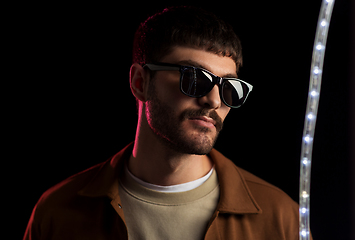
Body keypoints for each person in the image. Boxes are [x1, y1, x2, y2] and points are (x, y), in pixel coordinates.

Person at [24, 6, 305, 240]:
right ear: (139, 83)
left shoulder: (279, 217)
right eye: (194, 79)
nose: (214, 101)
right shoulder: (58, 213)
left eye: (230, 87)